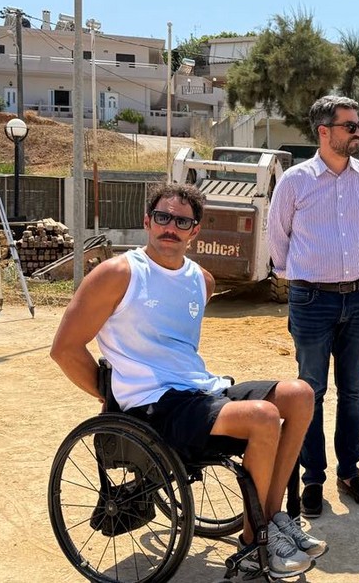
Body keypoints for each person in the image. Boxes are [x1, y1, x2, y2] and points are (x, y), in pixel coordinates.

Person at [50, 182, 323, 579]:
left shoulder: (202, 280)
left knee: (300, 394)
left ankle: (272, 517)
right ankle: (254, 542)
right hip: (154, 404)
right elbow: (65, 348)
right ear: (147, 221)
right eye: (163, 217)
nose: (170, 228)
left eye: (182, 222)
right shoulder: (119, 274)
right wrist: (112, 398)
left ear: (195, 231)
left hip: (199, 391)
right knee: (263, 417)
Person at [267, 95, 359, 519]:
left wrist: (354, 272)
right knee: (310, 393)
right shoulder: (295, 182)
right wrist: (300, 278)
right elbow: (277, 236)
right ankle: (312, 478)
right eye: (349, 126)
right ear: (324, 131)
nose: (357, 133)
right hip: (311, 299)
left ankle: (349, 473)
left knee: (353, 391)